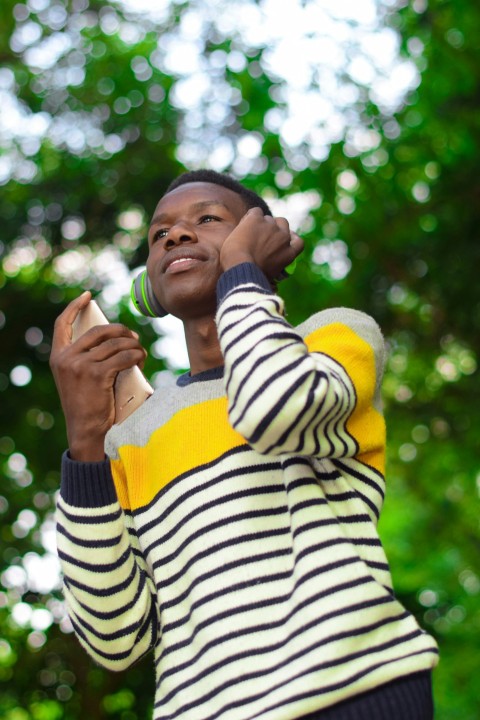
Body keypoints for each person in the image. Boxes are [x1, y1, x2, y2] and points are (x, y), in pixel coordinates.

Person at [50, 170, 438, 720]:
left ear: (263, 241)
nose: (176, 237)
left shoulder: (334, 339)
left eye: (207, 220)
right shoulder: (130, 437)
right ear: (150, 290)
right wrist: (86, 438)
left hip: (357, 691)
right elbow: (114, 638)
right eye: (159, 234)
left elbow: (272, 408)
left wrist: (243, 275)